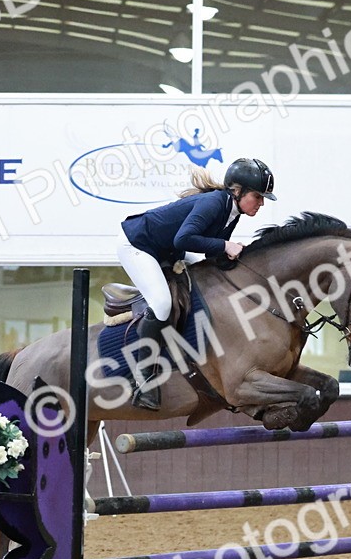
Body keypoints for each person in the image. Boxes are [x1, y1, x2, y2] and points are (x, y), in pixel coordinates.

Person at [118, 157, 276, 410]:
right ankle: (143, 381)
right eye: (258, 196)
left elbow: (211, 255)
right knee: (162, 304)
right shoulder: (214, 203)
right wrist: (225, 245)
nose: (261, 203)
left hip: (167, 249)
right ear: (238, 191)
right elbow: (184, 239)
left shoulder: (232, 212)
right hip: (139, 245)